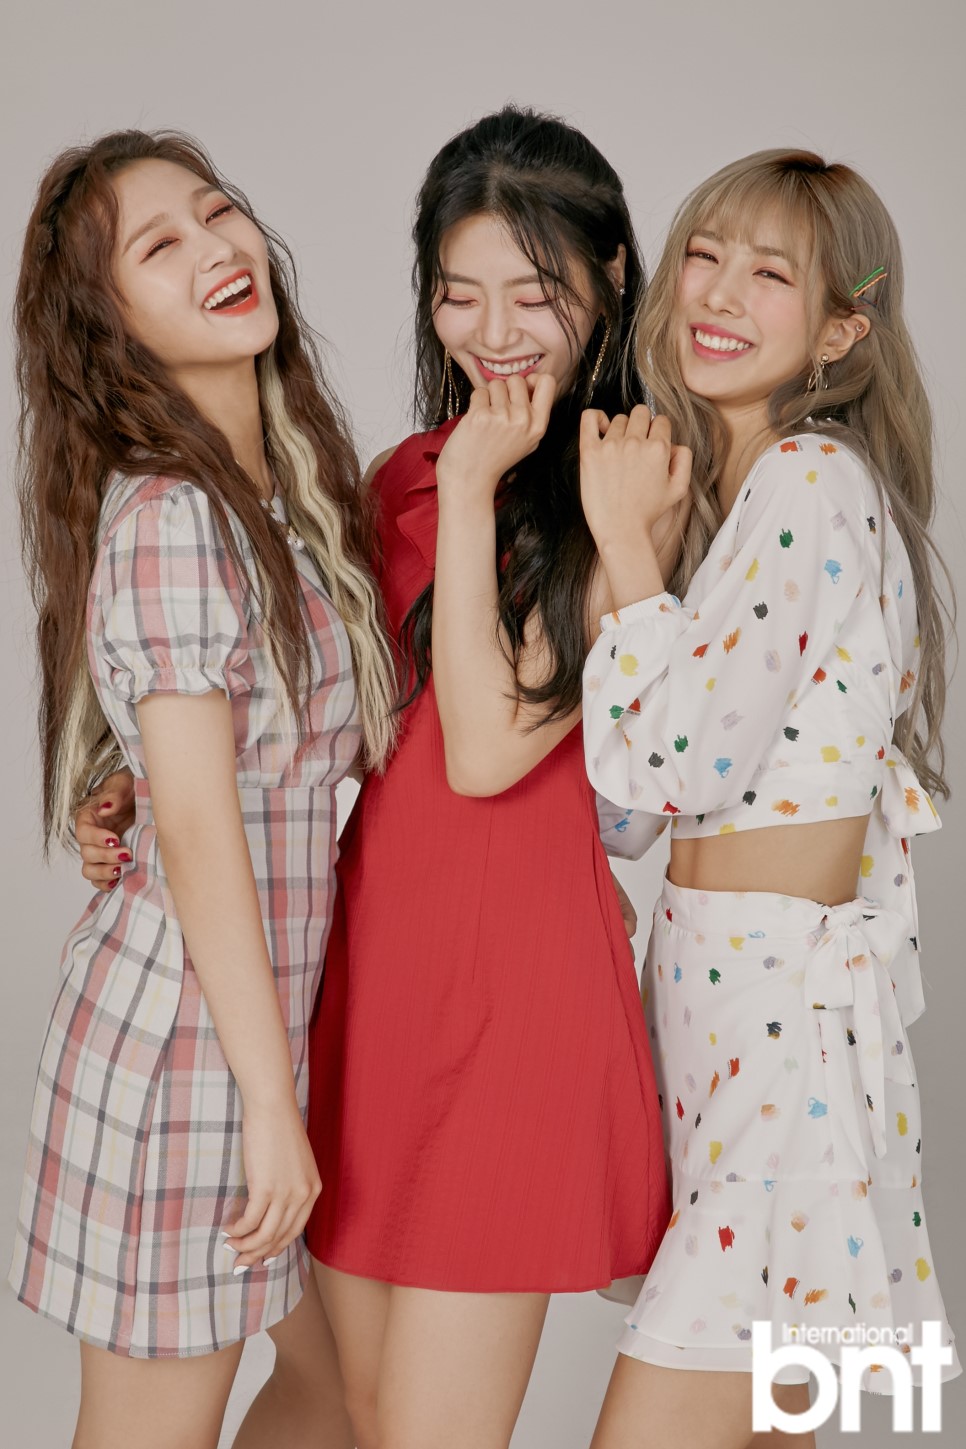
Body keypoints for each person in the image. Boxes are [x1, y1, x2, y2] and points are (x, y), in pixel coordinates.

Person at [8, 129, 398, 1449]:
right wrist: (271, 1112)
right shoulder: (173, 514)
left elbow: (258, 765)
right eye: (158, 247)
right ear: (109, 327)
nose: (215, 247)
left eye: (216, 212)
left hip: (257, 1038)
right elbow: (199, 828)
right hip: (188, 1055)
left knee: (347, 1395)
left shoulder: (278, 503)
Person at [299, 107, 680, 1449]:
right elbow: (349, 726)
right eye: (459, 292)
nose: (494, 331)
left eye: (534, 290)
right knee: (362, 1414)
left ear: (612, 276)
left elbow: (484, 746)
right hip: (373, 982)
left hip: (514, 999)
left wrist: (471, 492)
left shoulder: (629, 483)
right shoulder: (401, 475)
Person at [578, 149, 960, 1449]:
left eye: (771, 272)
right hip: (737, 1025)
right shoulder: (743, 502)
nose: (720, 292)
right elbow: (627, 817)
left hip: (776, 1028)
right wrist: (639, 559)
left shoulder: (805, 480)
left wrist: (624, 551)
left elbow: (667, 768)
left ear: (840, 330)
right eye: (705, 254)